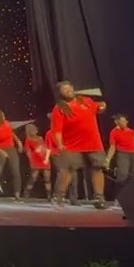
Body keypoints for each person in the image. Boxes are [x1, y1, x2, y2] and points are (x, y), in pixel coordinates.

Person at [49, 80, 109, 209]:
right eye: (65, 89)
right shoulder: (59, 109)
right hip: (72, 145)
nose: (68, 90)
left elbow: (98, 108)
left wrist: (102, 106)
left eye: (69, 87)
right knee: (67, 170)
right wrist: (60, 144)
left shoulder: (85, 100)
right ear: (60, 93)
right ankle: (58, 197)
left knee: (97, 168)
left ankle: (99, 198)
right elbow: (57, 130)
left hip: (93, 142)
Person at [22, 122, 51, 199]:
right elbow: (28, 151)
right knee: (33, 178)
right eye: (32, 130)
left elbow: (45, 147)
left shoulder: (40, 138)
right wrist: (31, 160)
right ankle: (26, 194)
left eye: (34, 129)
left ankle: (49, 195)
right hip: (35, 161)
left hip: (44, 160)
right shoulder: (28, 140)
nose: (34, 131)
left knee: (47, 178)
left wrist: (46, 157)